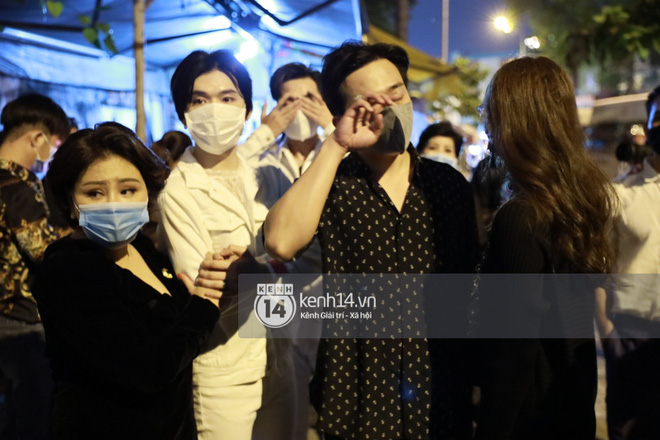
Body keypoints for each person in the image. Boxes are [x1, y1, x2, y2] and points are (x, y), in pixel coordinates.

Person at [264, 41, 479, 440]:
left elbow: (469, 288)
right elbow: (279, 242)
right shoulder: (332, 184)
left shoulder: (447, 185)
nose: (391, 108)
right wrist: (336, 144)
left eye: (397, 93)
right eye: (372, 103)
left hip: (441, 396)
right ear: (342, 114)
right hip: (357, 400)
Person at [31, 122, 220, 439]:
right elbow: (148, 370)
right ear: (70, 202)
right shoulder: (68, 272)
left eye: (128, 190)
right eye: (94, 192)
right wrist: (204, 307)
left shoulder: (143, 249)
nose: (114, 204)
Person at [159, 49, 304, 440]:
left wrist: (253, 272)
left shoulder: (269, 173)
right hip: (225, 369)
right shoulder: (177, 192)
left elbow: (307, 260)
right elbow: (205, 290)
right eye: (199, 100)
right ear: (183, 113)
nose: (214, 110)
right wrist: (270, 268)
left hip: (280, 357)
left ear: (247, 108)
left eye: (227, 97)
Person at [474, 56, 617, 440]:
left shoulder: (521, 216)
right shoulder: (578, 203)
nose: (486, 124)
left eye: (490, 112)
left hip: (530, 416)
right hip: (572, 404)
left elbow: (513, 349)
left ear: (517, 120)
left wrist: (490, 429)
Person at [0, 93, 70, 440]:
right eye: (55, 145)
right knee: (32, 419)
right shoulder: (17, 185)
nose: (52, 154)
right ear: (37, 138)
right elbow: (45, 252)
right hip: (19, 320)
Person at [595, 84, 660, 440]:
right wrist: (609, 335)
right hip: (631, 336)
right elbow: (599, 271)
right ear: (648, 126)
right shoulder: (619, 194)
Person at [242, 62, 335, 181]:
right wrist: (265, 132)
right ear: (278, 105)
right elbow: (231, 171)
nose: (300, 106)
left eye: (308, 98)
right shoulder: (265, 159)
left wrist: (332, 126)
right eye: (290, 100)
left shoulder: (335, 151)